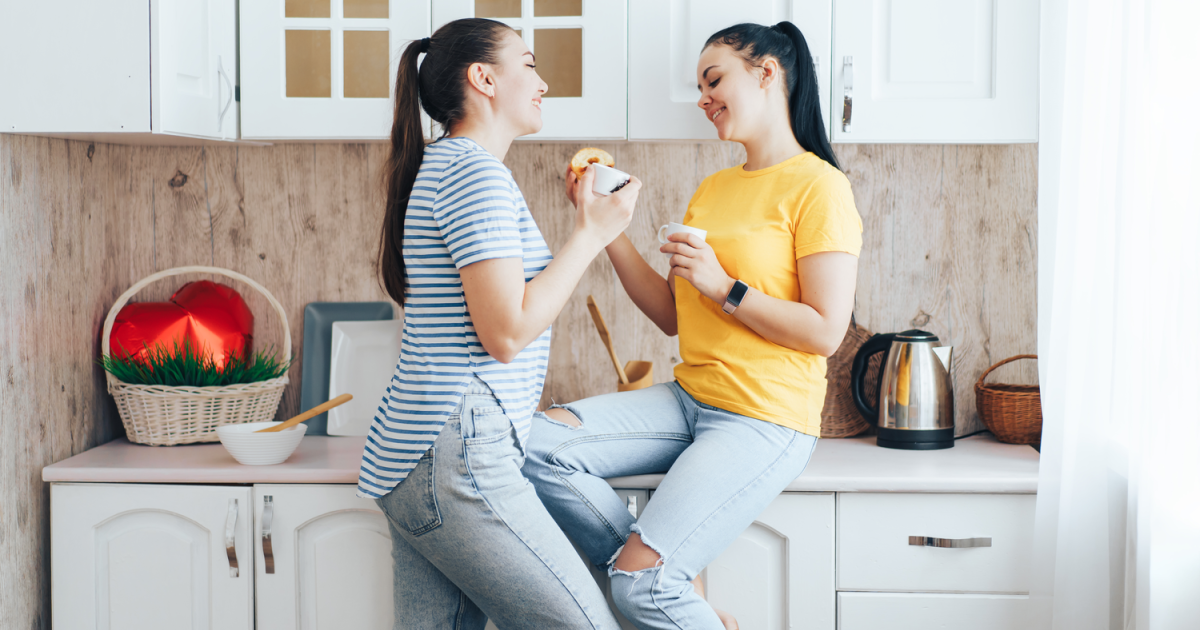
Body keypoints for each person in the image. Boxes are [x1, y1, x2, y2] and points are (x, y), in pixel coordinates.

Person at [522, 22, 862, 630]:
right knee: (534, 445)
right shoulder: (715, 186)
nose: (702, 98)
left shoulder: (821, 187)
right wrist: (608, 227)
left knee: (641, 590)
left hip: (763, 417)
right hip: (689, 399)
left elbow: (824, 332)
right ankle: (675, 583)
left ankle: (660, 578)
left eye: (713, 80)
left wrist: (725, 287)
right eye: (699, 86)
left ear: (767, 73)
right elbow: (675, 316)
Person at [358, 18, 641, 629]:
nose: (543, 82)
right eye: (530, 64)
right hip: (454, 450)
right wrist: (592, 233)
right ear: (484, 78)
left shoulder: (451, 165)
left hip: (420, 451)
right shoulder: (473, 172)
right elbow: (506, 334)